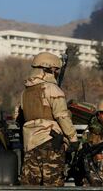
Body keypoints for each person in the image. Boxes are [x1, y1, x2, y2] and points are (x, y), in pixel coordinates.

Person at [19, 52, 79, 186]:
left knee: (30, 186)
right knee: (53, 185)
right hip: (50, 143)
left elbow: (20, 116)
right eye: (56, 70)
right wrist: (73, 139)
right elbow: (61, 116)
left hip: (29, 145)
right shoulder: (52, 89)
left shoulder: (25, 93)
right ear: (50, 69)